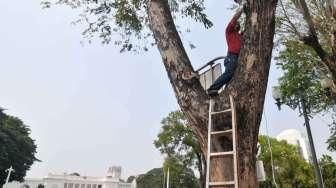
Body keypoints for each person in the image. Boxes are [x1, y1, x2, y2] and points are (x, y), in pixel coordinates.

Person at [207, 5, 244, 97]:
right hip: (231, 56)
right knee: (229, 73)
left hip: (237, 57)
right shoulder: (229, 31)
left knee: (234, 76)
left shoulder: (240, 36)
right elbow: (234, 19)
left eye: (238, 25)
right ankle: (213, 88)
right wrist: (241, 9)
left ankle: (226, 91)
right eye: (236, 24)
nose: (237, 25)